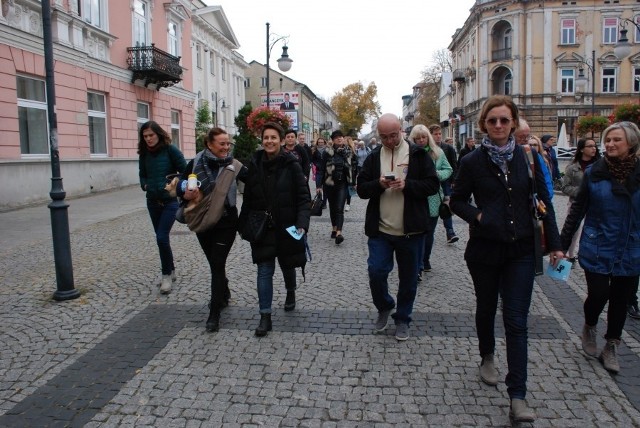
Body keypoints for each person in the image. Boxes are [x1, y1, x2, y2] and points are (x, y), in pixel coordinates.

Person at [450, 95, 563, 423]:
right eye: (492, 121)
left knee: (516, 321)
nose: (498, 125)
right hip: (484, 250)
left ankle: (517, 395)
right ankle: (487, 355)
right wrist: (479, 217)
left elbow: (545, 202)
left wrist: (555, 245)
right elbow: (456, 200)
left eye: (504, 120)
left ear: (513, 123)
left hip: (521, 251)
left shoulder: (528, 159)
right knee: (486, 308)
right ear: (484, 124)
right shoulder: (472, 161)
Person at [560, 121, 640, 373]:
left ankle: (612, 345)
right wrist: (561, 245)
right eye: (608, 140)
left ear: (632, 143)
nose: (610, 144)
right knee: (598, 293)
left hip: (631, 246)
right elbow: (577, 211)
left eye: (617, 140)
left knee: (620, 299)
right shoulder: (595, 172)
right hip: (598, 243)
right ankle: (590, 325)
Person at [357, 114, 439, 341]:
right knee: (376, 271)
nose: (389, 141)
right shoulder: (374, 157)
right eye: (383, 137)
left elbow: (432, 185)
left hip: (411, 231)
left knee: (409, 278)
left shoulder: (418, 155)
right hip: (381, 230)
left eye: (393, 135)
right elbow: (362, 188)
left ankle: (403, 318)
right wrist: (379, 184)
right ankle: (385, 305)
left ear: (401, 130)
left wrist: (407, 185)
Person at [239, 122, 311, 337]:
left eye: (273, 137)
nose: (269, 141)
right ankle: (265, 316)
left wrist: (302, 224)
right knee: (264, 270)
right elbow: (249, 197)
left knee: (288, 264)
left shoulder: (292, 164)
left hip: (287, 225)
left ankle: (291, 292)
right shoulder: (255, 163)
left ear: (281, 140)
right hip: (263, 227)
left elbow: (303, 197)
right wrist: (244, 223)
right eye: (266, 137)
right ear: (262, 141)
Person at [178, 127, 248, 332]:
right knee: (213, 262)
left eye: (228, 144)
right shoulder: (195, 162)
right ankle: (223, 290)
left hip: (226, 220)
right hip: (203, 219)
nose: (226, 147)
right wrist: (185, 192)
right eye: (222, 144)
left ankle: (214, 312)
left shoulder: (234, 166)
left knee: (217, 262)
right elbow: (181, 183)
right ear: (210, 144)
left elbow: (255, 181)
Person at [138, 120, 187, 294]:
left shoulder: (170, 150)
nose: (149, 139)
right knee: (161, 239)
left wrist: (176, 181)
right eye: (145, 136)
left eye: (151, 135)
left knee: (161, 237)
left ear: (158, 134)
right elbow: (142, 176)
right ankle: (171, 269)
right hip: (152, 201)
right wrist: (145, 186)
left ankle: (166, 275)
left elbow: (186, 171)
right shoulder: (144, 154)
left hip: (169, 201)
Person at [408, 125, 453, 277]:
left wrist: (436, 175)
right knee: (417, 232)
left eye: (424, 137)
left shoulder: (438, 153)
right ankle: (418, 264)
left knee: (429, 232)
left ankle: (424, 259)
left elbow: (449, 169)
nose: (421, 141)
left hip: (433, 197)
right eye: (417, 138)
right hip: (415, 197)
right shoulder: (409, 154)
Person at [559, 138, 600, 263]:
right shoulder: (572, 167)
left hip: (596, 204)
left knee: (595, 229)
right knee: (573, 230)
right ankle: (570, 255)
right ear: (582, 149)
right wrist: (582, 192)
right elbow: (565, 187)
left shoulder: (600, 165)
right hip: (577, 203)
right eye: (590, 146)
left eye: (595, 146)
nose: (594, 148)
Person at [316, 130, 354, 244]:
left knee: (339, 208)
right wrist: (319, 185)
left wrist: (353, 182)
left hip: (342, 183)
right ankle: (334, 228)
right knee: (332, 208)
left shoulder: (348, 152)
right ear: (332, 140)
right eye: (337, 137)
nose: (339, 139)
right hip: (330, 184)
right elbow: (321, 170)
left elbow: (353, 167)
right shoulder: (327, 152)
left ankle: (339, 233)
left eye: (341, 137)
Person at [428, 124, 459, 243]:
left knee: (446, 207)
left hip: (446, 182)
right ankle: (429, 230)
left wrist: (453, 181)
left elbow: (453, 165)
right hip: (432, 184)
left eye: (440, 133)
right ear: (430, 135)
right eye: (436, 134)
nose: (438, 136)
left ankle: (450, 232)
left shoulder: (448, 148)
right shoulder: (426, 148)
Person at [514, 119, 554, 200]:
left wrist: (547, 197)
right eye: (521, 136)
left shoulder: (532, 154)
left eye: (527, 136)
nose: (525, 139)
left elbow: (545, 178)